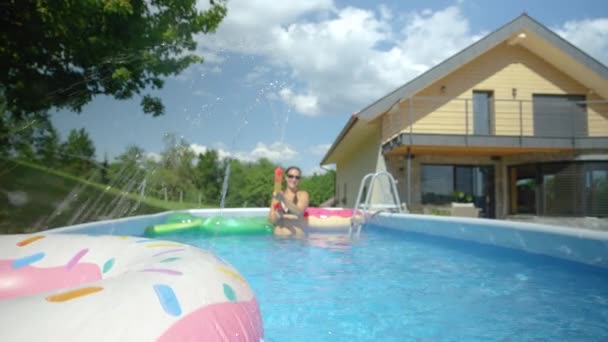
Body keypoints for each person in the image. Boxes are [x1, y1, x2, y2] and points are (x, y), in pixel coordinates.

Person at [268, 166, 310, 237]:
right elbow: (271, 220)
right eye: (291, 176)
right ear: (286, 177)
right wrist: (277, 215)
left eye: (297, 177)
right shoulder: (278, 196)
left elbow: (299, 212)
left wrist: (283, 199)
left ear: (300, 180)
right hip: (278, 242)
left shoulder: (302, 194)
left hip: (296, 242)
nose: (294, 179)